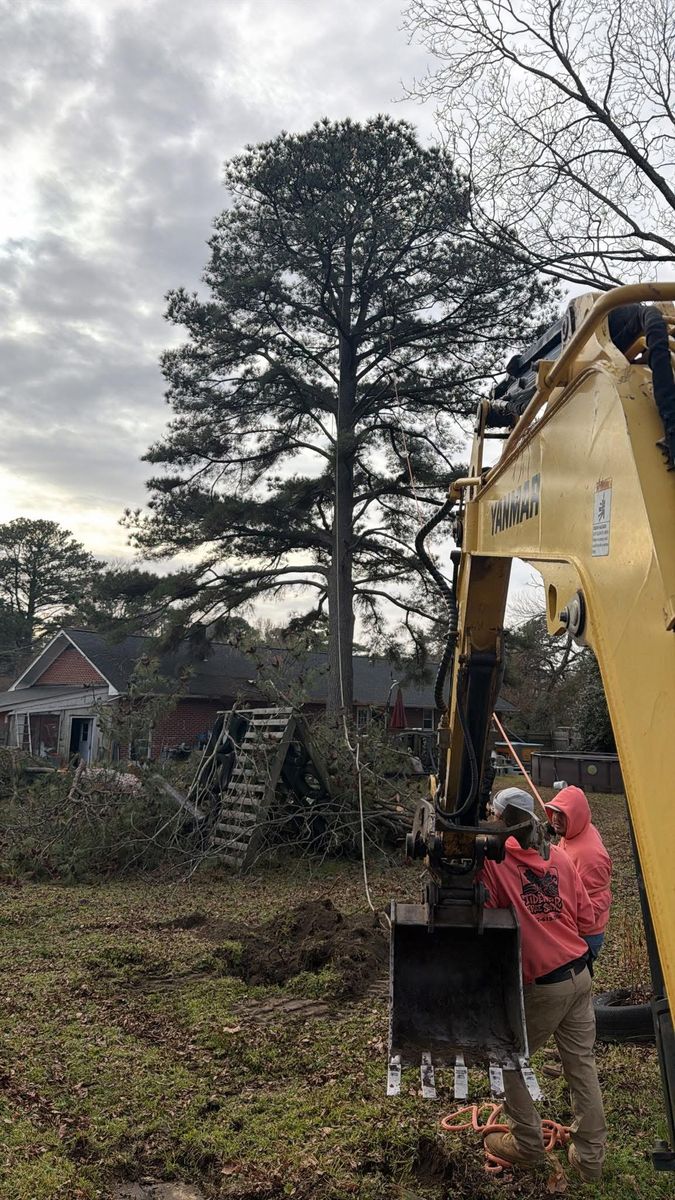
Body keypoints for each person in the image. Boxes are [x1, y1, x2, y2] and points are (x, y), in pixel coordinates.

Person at [481, 787, 607, 1182]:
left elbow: (482, 915)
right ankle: (589, 1163)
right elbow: (587, 922)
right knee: (581, 1066)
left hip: (544, 986)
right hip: (580, 975)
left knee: (505, 1057)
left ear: (500, 820)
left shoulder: (495, 864)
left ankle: (528, 1145)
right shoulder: (562, 861)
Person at [544, 785, 612, 966]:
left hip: (584, 936)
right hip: (574, 929)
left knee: (574, 982)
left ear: (576, 816)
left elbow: (597, 902)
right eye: (554, 812)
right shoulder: (574, 831)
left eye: (562, 814)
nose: (555, 819)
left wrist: (566, 929)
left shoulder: (591, 857)